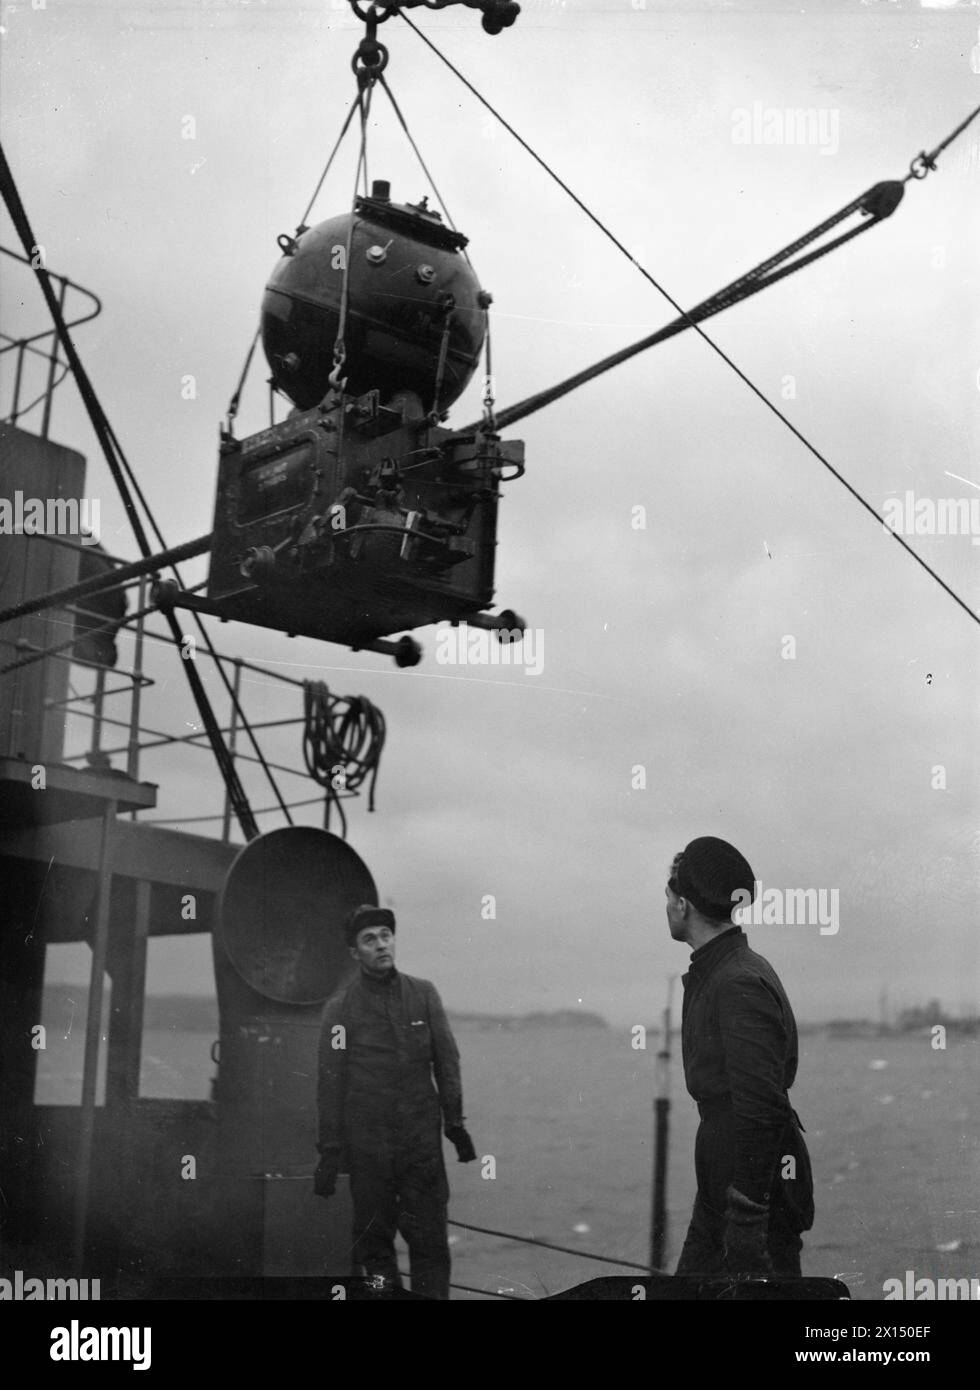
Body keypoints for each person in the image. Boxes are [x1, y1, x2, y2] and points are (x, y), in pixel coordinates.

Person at [665, 836, 814, 1278]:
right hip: (728, 1181)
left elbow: (761, 1106)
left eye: (668, 896)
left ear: (683, 905)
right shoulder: (727, 968)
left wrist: (747, 1218)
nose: (667, 905)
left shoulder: (737, 981)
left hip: (752, 1188)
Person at [314, 904, 476, 1299]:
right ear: (355, 952)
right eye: (369, 940)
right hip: (369, 1149)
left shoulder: (423, 995)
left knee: (430, 1243)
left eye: (386, 935)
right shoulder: (340, 1010)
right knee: (374, 1245)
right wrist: (331, 1152)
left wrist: (455, 1126)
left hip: (420, 1146)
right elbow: (330, 1082)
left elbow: (447, 1061)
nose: (381, 945)